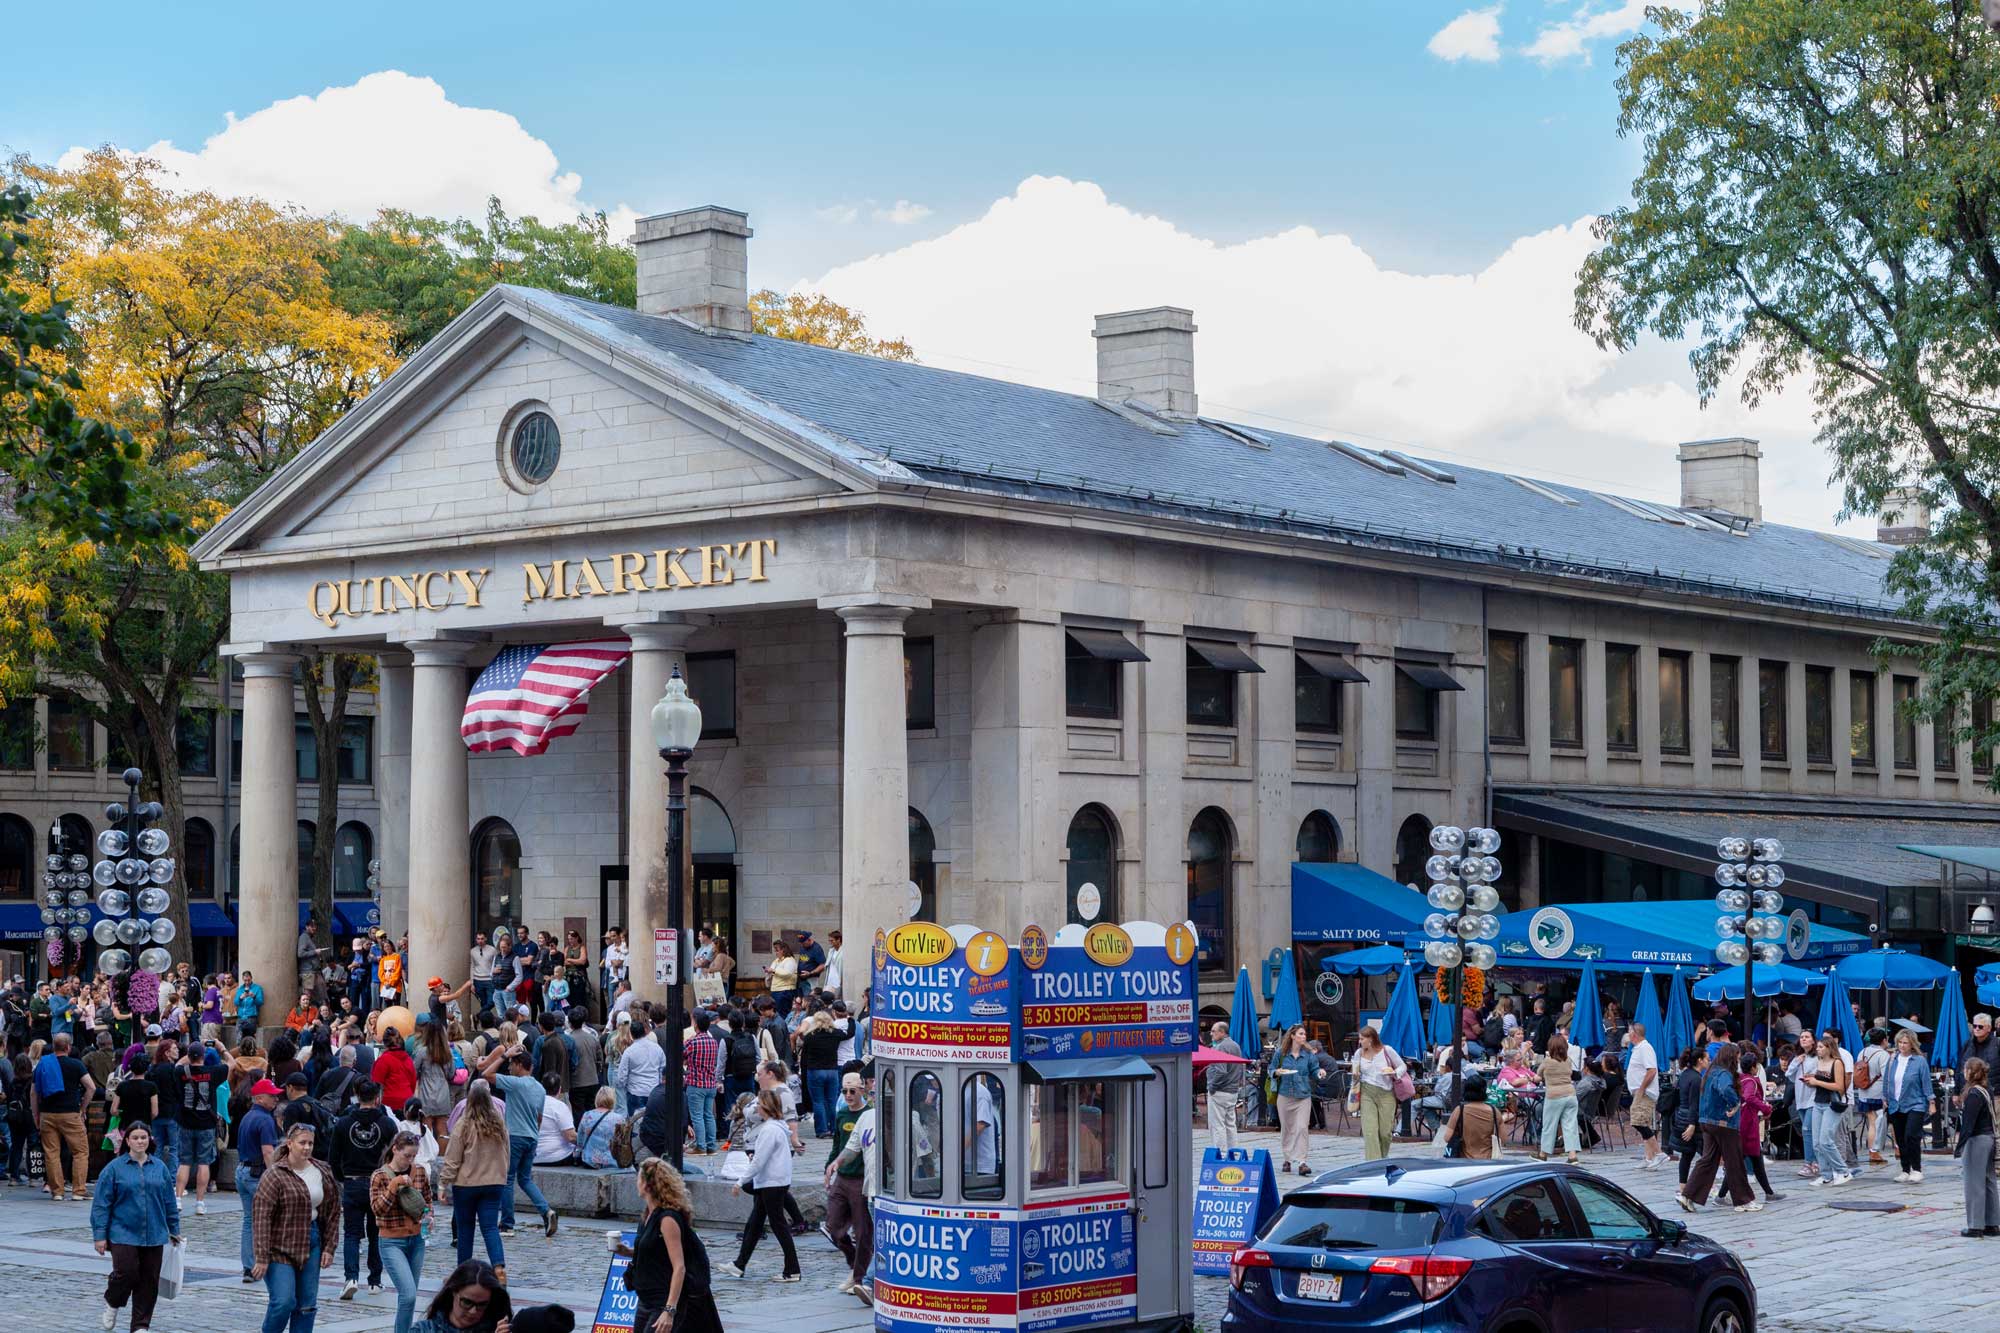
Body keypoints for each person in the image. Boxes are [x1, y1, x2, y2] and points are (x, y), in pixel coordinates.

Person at [91, 1120, 181, 1333]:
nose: (140, 1141)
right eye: (135, 1138)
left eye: (143, 1137)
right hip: (122, 1232)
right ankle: (113, 1301)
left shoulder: (159, 1167)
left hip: (155, 1233)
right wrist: (99, 1236)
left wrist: (175, 1229)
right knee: (127, 1273)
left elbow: (169, 1201)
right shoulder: (114, 1169)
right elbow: (101, 1204)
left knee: (149, 1280)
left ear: (149, 1140)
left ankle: (141, 1325)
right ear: (127, 1141)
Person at [252, 1122, 341, 1333]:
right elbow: (261, 1217)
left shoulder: (322, 1171)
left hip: (311, 1240)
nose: (307, 1147)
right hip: (279, 1246)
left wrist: (329, 1247)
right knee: (283, 1301)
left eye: (310, 1143)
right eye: (302, 1143)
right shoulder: (275, 1174)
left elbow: (332, 1211)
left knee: (307, 1305)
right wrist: (262, 1257)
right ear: (290, 1144)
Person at [617, 1158, 724, 1333]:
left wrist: (669, 1310)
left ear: (647, 1185)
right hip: (646, 1300)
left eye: (639, 1178)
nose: (636, 1182)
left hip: (663, 1301)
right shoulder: (647, 1215)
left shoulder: (667, 1219)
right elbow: (657, 1253)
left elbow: (679, 1266)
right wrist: (627, 1251)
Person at [474, 1044, 559, 1238]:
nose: (509, 1067)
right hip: (532, 1137)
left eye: (512, 1064)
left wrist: (504, 1055)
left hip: (515, 1136)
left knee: (508, 1179)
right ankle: (546, 1211)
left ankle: (507, 1224)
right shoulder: (539, 1087)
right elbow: (538, 1117)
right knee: (525, 1179)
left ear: (520, 1065)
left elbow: (485, 1074)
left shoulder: (515, 1083)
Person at [721, 1090, 801, 1281]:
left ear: (765, 1107)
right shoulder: (777, 1128)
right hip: (774, 1182)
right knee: (755, 1224)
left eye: (759, 1104)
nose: (756, 1107)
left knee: (778, 1226)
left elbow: (758, 1161)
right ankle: (739, 1264)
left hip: (771, 1183)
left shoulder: (769, 1130)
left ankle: (792, 1270)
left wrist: (740, 1182)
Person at [330, 1080, 398, 1301]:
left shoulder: (343, 1124)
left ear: (357, 1096)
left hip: (352, 1181)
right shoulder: (387, 1124)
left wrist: (342, 1177)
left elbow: (333, 1157)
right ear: (377, 1097)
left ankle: (351, 1277)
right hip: (379, 1182)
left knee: (352, 1234)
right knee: (376, 1233)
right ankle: (375, 1280)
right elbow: (394, 1156)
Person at [437, 1080, 509, 1279]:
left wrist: (443, 1183)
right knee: (490, 1227)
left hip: (467, 1183)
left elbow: (453, 1157)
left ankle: (463, 1273)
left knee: (465, 1228)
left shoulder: (464, 1124)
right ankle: (498, 1266)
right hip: (494, 1182)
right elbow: (506, 1153)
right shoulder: (499, 1124)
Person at [1679, 1042, 1758, 1213]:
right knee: (1735, 1161)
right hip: (1724, 1123)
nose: (1738, 1060)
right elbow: (1725, 1089)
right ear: (1732, 1057)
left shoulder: (1710, 1072)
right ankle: (1743, 1201)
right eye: (1737, 1056)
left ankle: (1688, 1195)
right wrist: (1735, 1104)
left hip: (1707, 1121)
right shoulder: (1723, 1073)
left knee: (1708, 1160)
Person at [371, 1130, 433, 1333]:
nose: (410, 1160)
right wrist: (393, 1186)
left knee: (409, 1296)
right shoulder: (380, 1176)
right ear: (395, 1149)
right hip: (391, 1241)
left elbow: (427, 1201)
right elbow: (377, 1210)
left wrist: (429, 1215)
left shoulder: (420, 1172)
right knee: (408, 1294)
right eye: (407, 1155)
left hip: (416, 1239)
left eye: (413, 1156)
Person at [823, 1072, 875, 1302]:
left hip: (863, 1179)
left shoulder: (869, 1115)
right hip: (843, 1177)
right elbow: (840, 1144)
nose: (848, 1095)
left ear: (862, 1090)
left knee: (864, 1232)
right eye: (844, 1091)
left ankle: (859, 1278)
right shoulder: (842, 1113)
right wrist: (830, 1165)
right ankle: (854, 1262)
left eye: (852, 1091)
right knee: (832, 1227)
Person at [33, 1030, 95, 1201]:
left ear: (54, 1047)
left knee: (51, 1153)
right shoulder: (76, 1064)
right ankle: (78, 1191)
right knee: (80, 1152)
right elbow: (91, 1088)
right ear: (68, 1047)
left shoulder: (43, 1064)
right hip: (70, 1113)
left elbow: (34, 1093)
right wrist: (82, 1108)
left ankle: (57, 1191)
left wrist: (36, 1114)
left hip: (47, 1113)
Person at [1346, 1024, 1407, 1163]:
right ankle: (1373, 1165)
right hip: (1367, 1091)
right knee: (1370, 1131)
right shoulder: (1358, 1053)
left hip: (1386, 1093)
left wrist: (1395, 1073)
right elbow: (1355, 1073)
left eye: (1362, 1039)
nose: (1359, 1042)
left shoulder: (1387, 1050)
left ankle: (1382, 1158)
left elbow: (1402, 1066)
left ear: (1371, 1039)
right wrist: (1354, 1085)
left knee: (1385, 1132)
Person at [1270, 1024, 1325, 1174]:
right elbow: (1271, 1069)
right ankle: (1287, 1159)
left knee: (1302, 1128)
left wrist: (1320, 1072)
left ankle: (1302, 1162)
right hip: (1285, 1095)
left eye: (1304, 1034)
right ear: (1292, 1036)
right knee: (1287, 1129)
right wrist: (1277, 1072)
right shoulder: (1281, 1053)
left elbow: (1314, 1071)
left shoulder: (1308, 1055)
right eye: (1300, 1034)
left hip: (1303, 1096)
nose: (1304, 1037)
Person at [1882, 1026, 1933, 1184]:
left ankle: (1916, 1169)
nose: (1902, 1045)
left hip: (1915, 1103)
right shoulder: (1892, 1060)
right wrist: (1885, 1097)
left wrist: (1931, 1101)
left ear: (1912, 1044)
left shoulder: (1919, 1061)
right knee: (1900, 1139)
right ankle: (1905, 1169)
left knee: (1911, 1135)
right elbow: (1887, 1080)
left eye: (1906, 1042)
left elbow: (1926, 1082)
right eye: (1900, 1042)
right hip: (1895, 1103)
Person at [1803, 1028, 1853, 1187]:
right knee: (1817, 1143)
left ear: (1829, 1048)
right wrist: (1810, 1080)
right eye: (1817, 1047)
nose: (1817, 1049)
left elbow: (1839, 1086)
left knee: (1826, 1140)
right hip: (1818, 1102)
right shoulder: (1819, 1062)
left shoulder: (1837, 1062)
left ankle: (1843, 1171)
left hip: (1832, 1104)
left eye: (1820, 1047)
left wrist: (1817, 1082)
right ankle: (1826, 1174)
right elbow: (1820, 1082)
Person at [409, 1260, 512, 1333]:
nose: (473, 1311)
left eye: (482, 1305)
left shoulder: (497, 1328)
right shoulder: (422, 1330)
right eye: (467, 1302)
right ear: (453, 1292)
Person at [1736, 1048, 1783, 1203]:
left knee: (1748, 1160)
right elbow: (1749, 1097)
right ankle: (1769, 1193)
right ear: (1753, 1067)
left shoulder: (1740, 1079)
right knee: (1747, 1160)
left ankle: (1769, 1193)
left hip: (1744, 1122)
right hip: (1749, 1124)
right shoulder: (1750, 1081)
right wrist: (1765, 1107)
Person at [1960, 1057, 1998, 1238]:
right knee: (1989, 1180)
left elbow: (1969, 1122)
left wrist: (1960, 1145)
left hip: (1977, 1139)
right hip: (1989, 1137)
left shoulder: (1973, 1094)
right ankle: (1992, 1222)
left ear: (1969, 1072)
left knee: (1974, 1182)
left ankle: (1975, 1225)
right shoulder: (1986, 1090)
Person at [1537, 1032, 1581, 1163]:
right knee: (1570, 1125)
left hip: (1554, 1096)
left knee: (1549, 1125)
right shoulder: (1568, 1061)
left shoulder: (1547, 1062)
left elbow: (1538, 1077)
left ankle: (1543, 1154)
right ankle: (1572, 1156)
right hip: (1570, 1095)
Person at [680, 1011, 720, 1155]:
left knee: (697, 1116)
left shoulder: (692, 1041)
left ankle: (701, 1146)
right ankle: (711, 1146)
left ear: (695, 1024)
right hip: (710, 1083)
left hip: (696, 1083)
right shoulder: (713, 1041)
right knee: (708, 1115)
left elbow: (681, 1055)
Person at [1204, 1020, 1246, 1150]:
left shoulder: (1221, 1047)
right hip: (1232, 1090)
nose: (1211, 1034)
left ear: (1222, 1032)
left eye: (1214, 1031)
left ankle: (1220, 1153)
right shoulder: (1235, 1046)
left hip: (1220, 1091)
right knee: (1230, 1124)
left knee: (1217, 1125)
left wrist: (1212, 1086)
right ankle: (1234, 1152)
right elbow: (1239, 1068)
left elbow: (1221, 1071)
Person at [1855, 1027, 1890, 1167]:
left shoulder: (1862, 1052)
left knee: (1871, 1122)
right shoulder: (1883, 1054)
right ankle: (1874, 1151)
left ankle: (1872, 1151)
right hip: (1878, 1092)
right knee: (1877, 1122)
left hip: (1864, 1092)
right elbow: (1886, 1075)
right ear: (1884, 1040)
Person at [1443, 1074, 1499, 1159]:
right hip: (1488, 1159)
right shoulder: (1494, 1111)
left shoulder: (1459, 1110)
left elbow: (1447, 1138)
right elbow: (1502, 1139)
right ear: (1484, 1091)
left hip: (1464, 1160)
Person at [577, 1088, 627, 1169]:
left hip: (589, 1160)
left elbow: (580, 1140)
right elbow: (622, 1142)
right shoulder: (619, 1119)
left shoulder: (587, 1115)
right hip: (612, 1161)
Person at [236, 972, 267, 1037]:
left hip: (251, 1017)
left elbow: (260, 1002)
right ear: (242, 979)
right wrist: (240, 998)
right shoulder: (240, 989)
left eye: (248, 980)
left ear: (251, 978)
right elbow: (235, 1002)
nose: (247, 982)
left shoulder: (257, 988)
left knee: (249, 1038)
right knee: (239, 1039)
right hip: (240, 1017)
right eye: (245, 980)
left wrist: (254, 996)